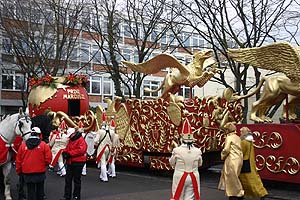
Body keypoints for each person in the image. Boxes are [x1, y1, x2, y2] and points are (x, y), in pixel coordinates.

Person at [169, 119, 202, 200]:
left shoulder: (176, 150)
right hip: (193, 176)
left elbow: (172, 163)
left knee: (178, 196)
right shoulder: (198, 151)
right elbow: (200, 164)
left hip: (180, 175)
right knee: (190, 197)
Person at [16, 127, 52, 200]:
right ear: (39, 134)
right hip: (40, 172)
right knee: (40, 191)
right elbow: (48, 158)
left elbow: (18, 160)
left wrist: (19, 171)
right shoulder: (43, 145)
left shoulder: (23, 145)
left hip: (27, 172)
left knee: (30, 191)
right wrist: (44, 165)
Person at [239, 127, 268, 200]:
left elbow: (241, 152)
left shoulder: (243, 142)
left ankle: (260, 194)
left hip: (245, 163)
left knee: (246, 181)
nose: (240, 133)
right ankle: (262, 193)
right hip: (250, 163)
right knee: (254, 179)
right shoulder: (250, 141)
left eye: (241, 131)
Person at [218, 122, 244, 200]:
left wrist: (222, 156)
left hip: (232, 159)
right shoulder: (237, 137)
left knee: (231, 177)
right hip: (239, 159)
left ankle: (235, 194)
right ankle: (238, 193)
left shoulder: (229, 137)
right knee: (235, 176)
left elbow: (226, 149)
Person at [60, 128, 87, 200]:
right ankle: (67, 196)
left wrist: (69, 153)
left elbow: (82, 150)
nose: (69, 137)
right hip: (71, 161)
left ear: (74, 134)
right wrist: (65, 152)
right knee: (68, 180)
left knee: (76, 180)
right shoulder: (71, 139)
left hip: (78, 162)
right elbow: (67, 148)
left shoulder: (80, 139)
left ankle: (76, 196)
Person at [94, 112, 112, 182]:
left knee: (103, 163)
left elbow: (96, 141)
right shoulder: (111, 132)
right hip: (108, 148)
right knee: (105, 162)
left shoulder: (100, 131)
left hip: (102, 148)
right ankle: (102, 175)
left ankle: (105, 177)